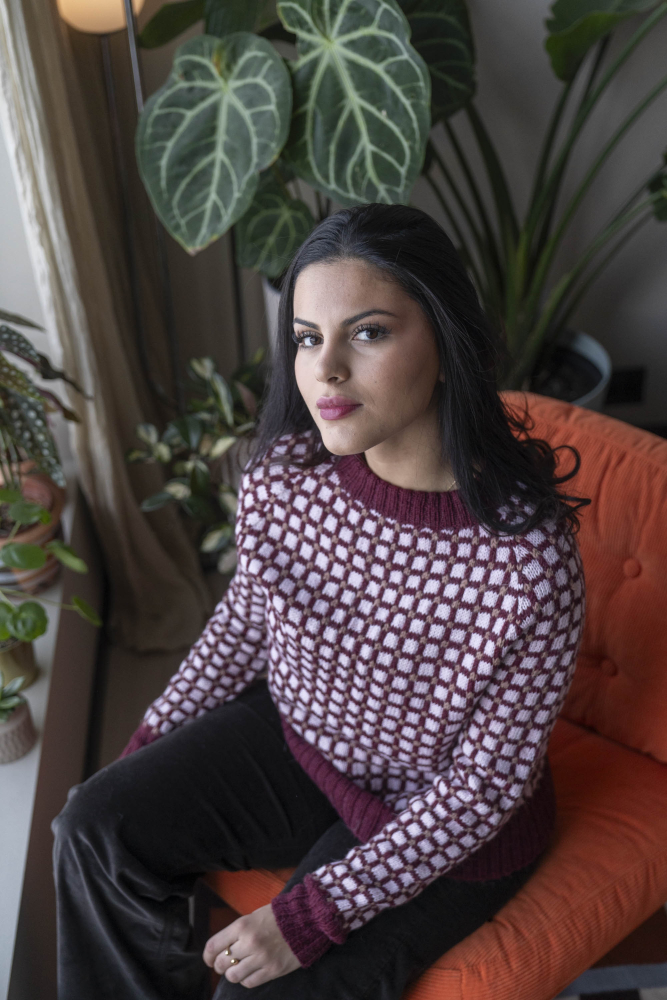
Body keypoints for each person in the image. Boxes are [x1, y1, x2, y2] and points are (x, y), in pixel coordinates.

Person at [51, 203, 589, 1000]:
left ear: (447, 344)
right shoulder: (284, 478)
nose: (325, 369)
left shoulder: (529, 564)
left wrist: (309, 916)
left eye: (366, 333)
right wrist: (148, 750)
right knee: (93, 826)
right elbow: (242, 627)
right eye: (307, 338)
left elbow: (481, 792)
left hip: (445, 828)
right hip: (304, 744)